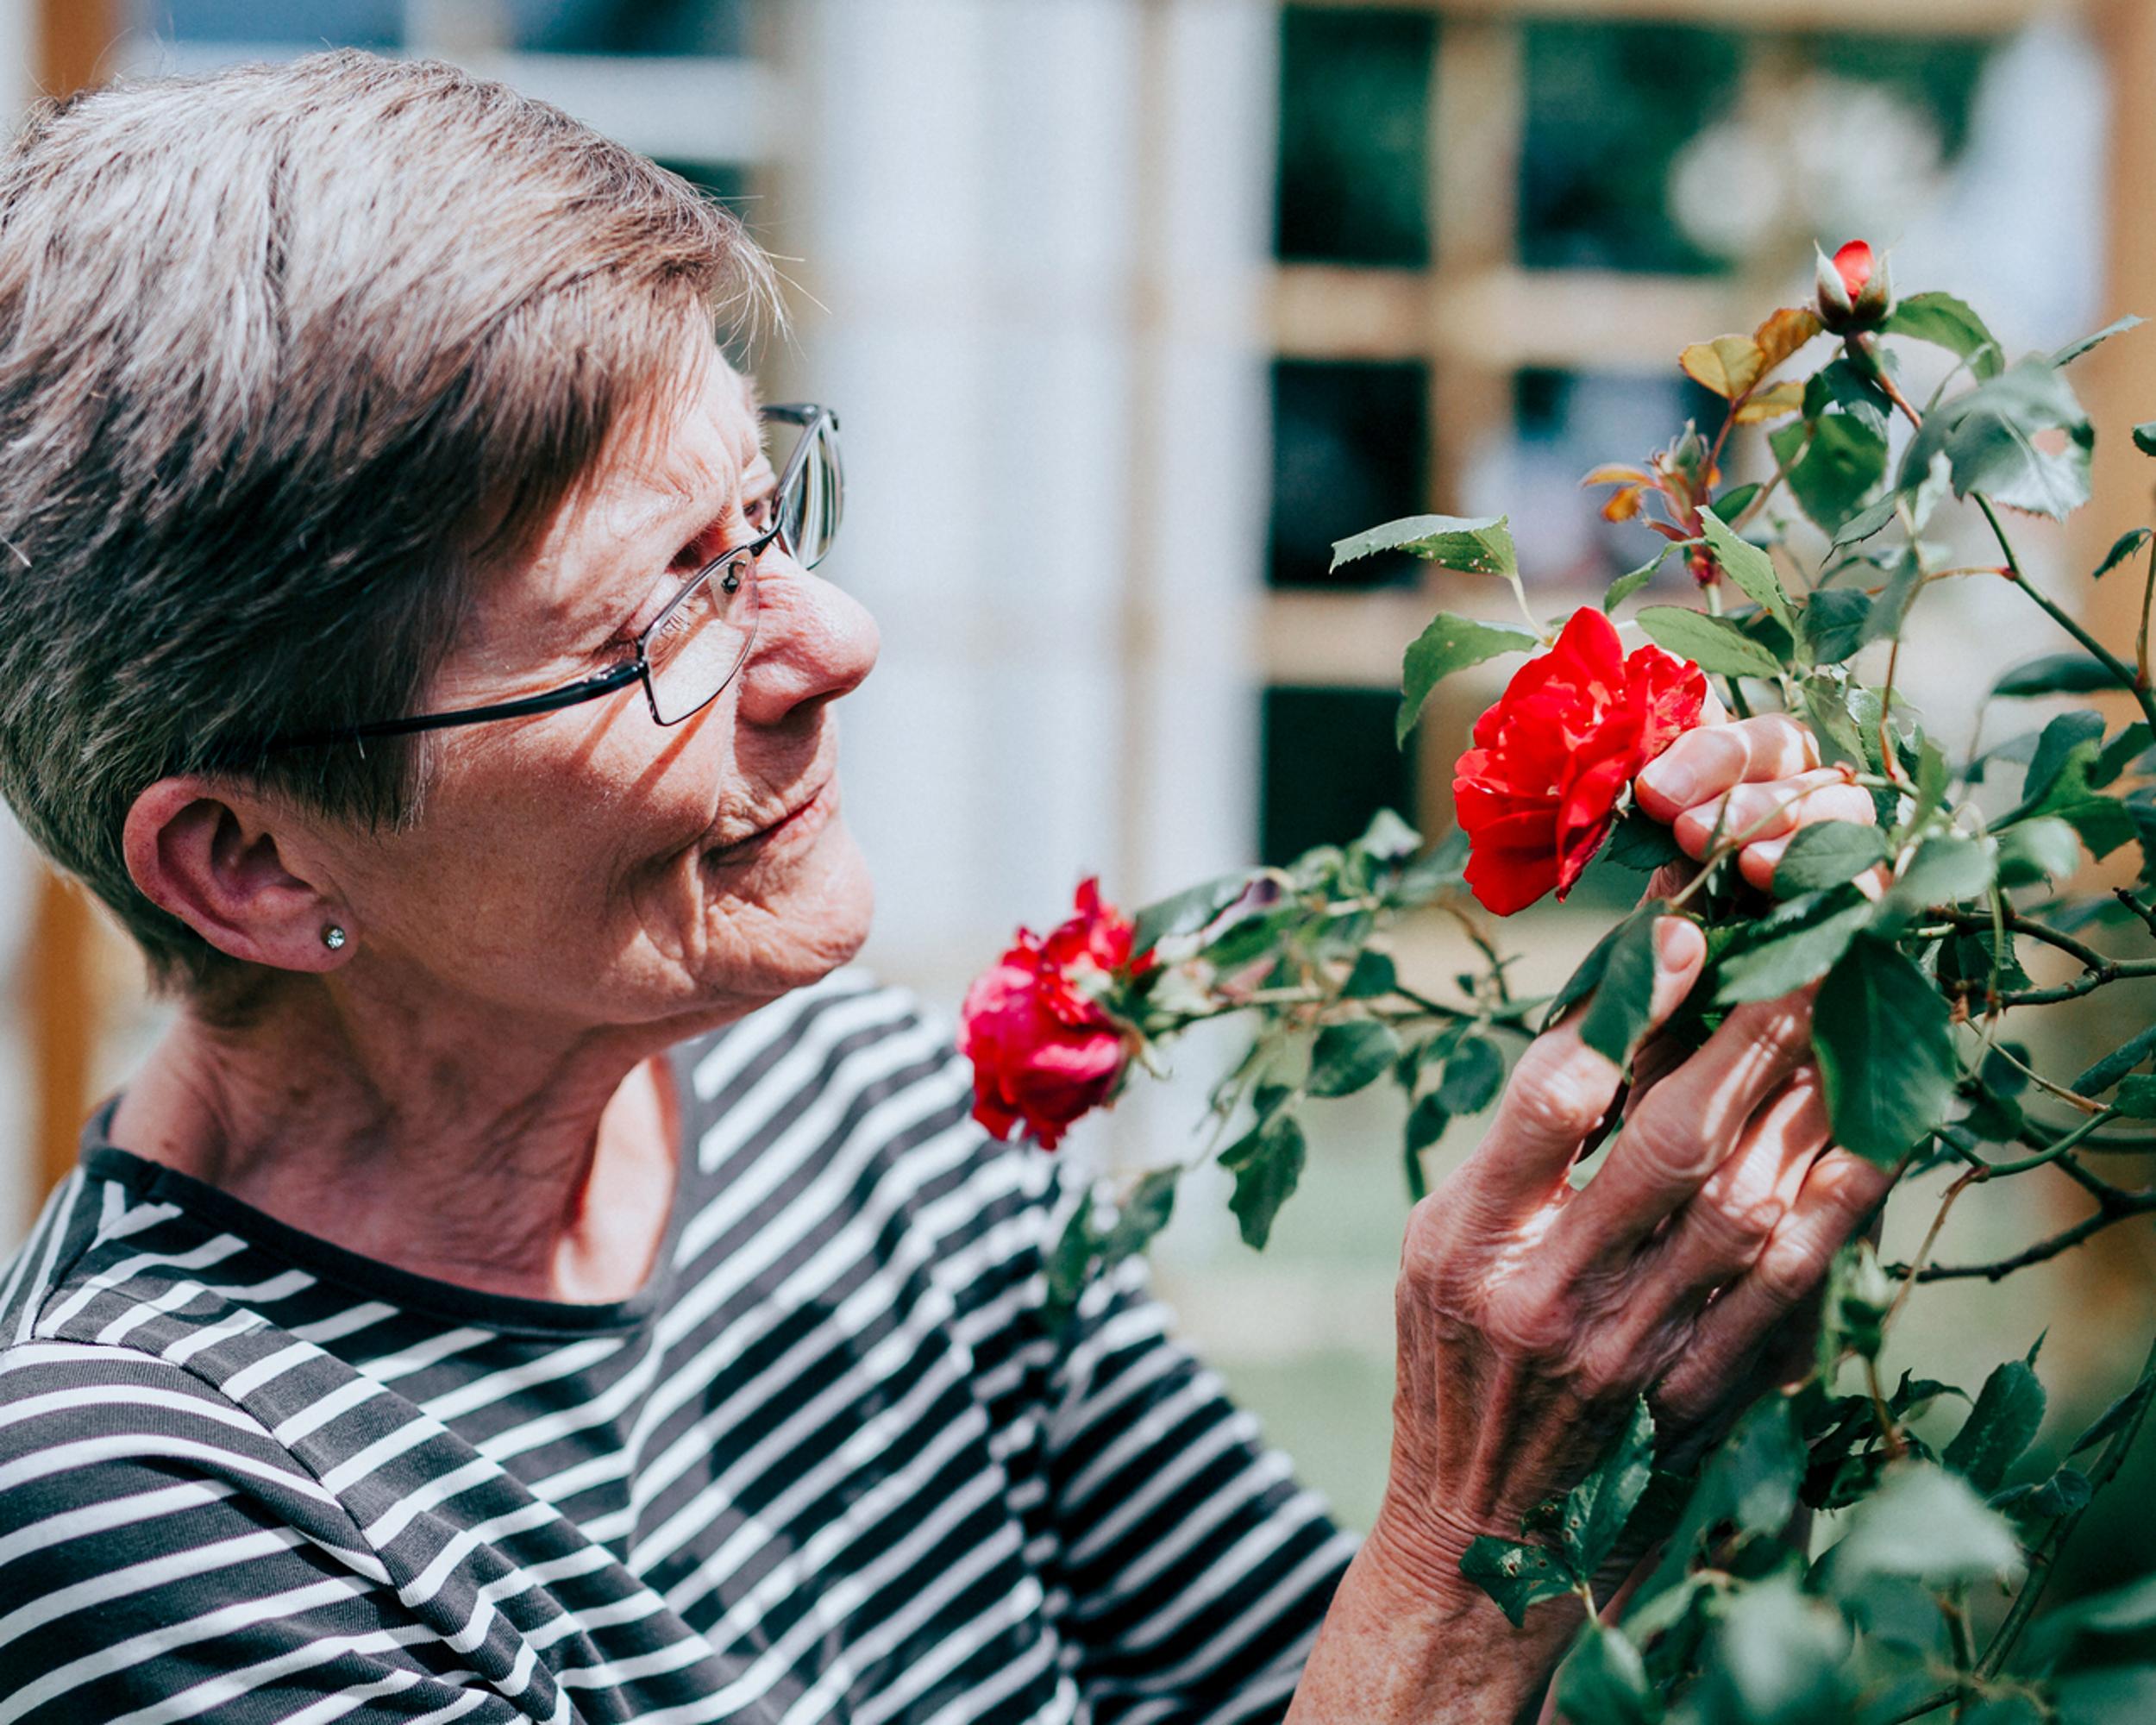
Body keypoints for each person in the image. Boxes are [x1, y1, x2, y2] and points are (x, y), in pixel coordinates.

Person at [0, 52, 1889, 1725]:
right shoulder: (137, 1495)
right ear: (248, 860)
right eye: (659, 612)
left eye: (761, 523)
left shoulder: (856, 1116)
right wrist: (1466, 1538)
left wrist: (1640, 1230)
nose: (832, 640)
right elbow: (1422, 1657)